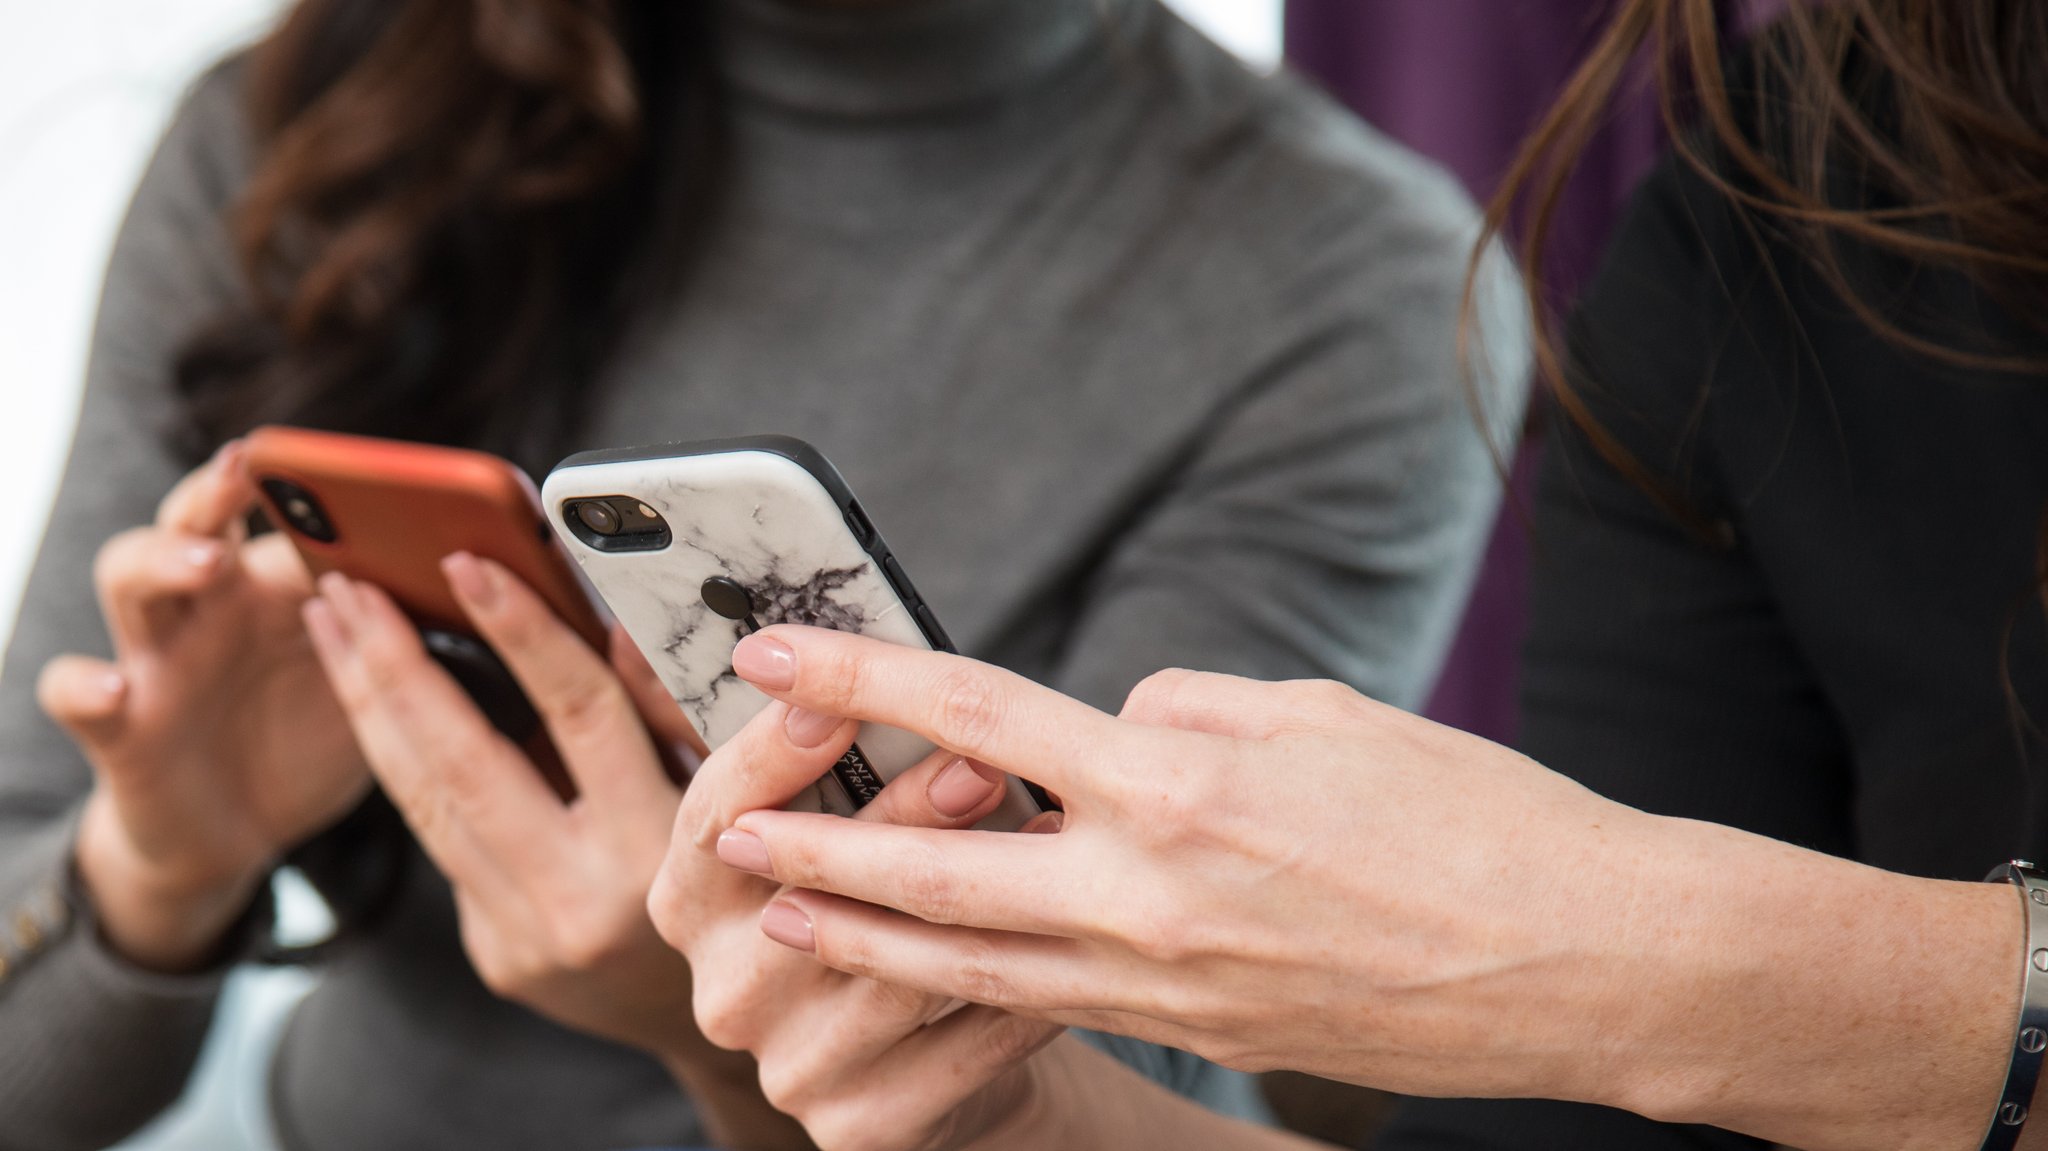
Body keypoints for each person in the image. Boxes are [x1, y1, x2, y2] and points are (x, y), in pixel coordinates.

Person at [0, 0, 1524, 1149]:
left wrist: (712, 1019)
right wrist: (153, 872)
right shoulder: (318, 125)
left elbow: (1140, 1096)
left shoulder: (1361, 296)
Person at [666, 1, 2048, 1149]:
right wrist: (1022, 1117)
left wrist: (1640, 965)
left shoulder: (1348, 271)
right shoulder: (1763, 224)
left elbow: (1629, 987)